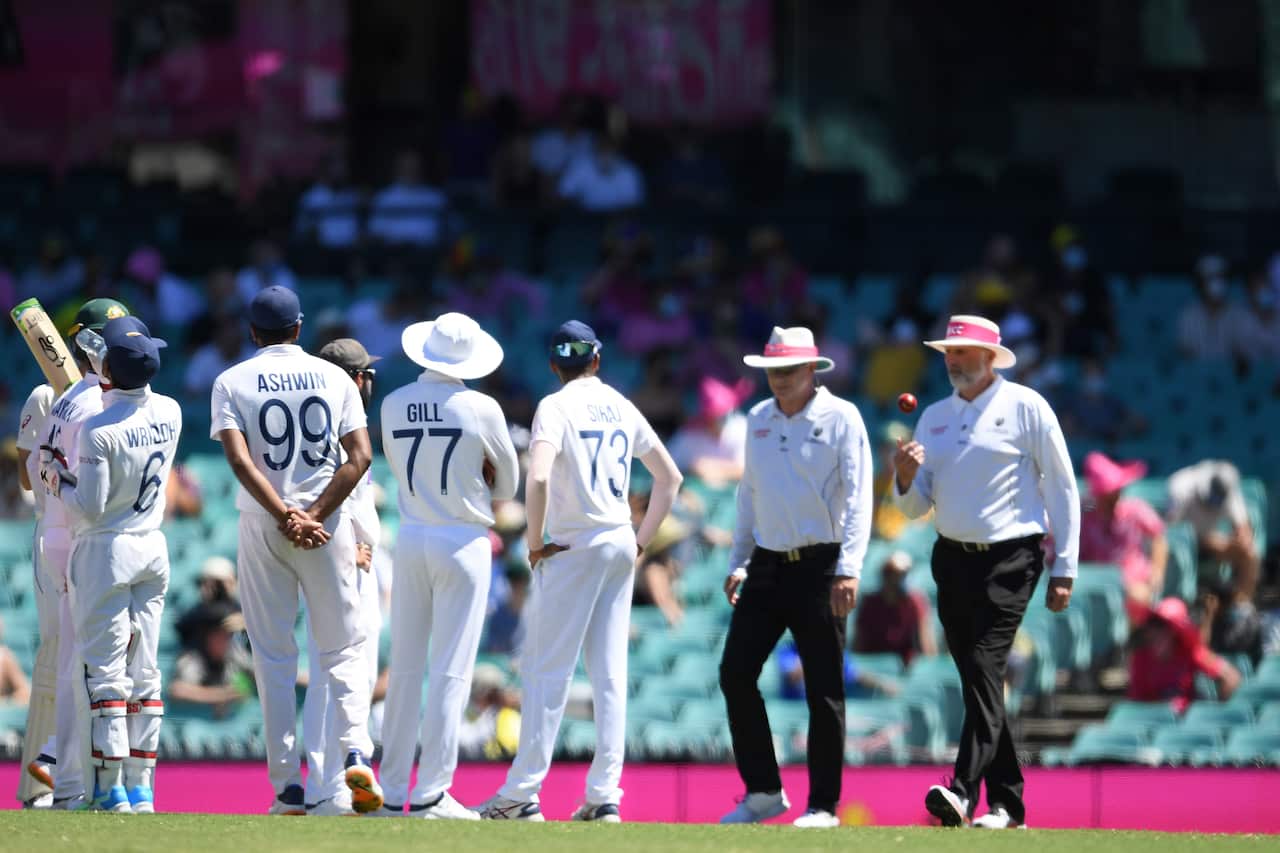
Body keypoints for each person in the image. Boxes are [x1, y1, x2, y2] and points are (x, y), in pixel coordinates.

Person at [479, 320, 681, 823]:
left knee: (547, 672)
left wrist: (534, 541)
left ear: (554, 364)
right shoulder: (621, 404)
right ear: (597, 358)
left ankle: (522, 794)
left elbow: (540, 474)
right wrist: (640, 540)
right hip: (617, 541)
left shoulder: (555, 405)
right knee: (610, 675)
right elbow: (669, 478)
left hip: (572, 545)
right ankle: (604, 795)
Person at [893, 314, 1078, 830]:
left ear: (991, 358)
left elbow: (1063, 487)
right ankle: (1007, 805)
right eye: (949, 353)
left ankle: (961, 791)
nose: (952, 361)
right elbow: (913, 508)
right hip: (952, 559)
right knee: (982, 679)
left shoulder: (1027, 407)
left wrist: (1065, 566)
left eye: (963, 353)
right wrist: (904, 479)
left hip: (1011, 558)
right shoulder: (932, 417)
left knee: (982, 665)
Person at [209, 286, 382, 815]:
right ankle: (355, 749)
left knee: (274, 656)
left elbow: (240, 462)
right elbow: (360, 457)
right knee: (344, 647)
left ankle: (288, 787)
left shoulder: (230, 380)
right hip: (325, 524)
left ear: (253, 331)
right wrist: (315, 515)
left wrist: (285, 515)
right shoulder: (335, 377)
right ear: (301, 328)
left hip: (263, 523)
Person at [718, 326, 873, 829]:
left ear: (812, 370)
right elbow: (749, 496)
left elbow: (860, 497)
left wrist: (849, 567)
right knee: (735, 673)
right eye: (771, 372)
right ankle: (763, 791)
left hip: (822, 566)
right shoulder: (758, 419)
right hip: (766, 562)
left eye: (786, 371)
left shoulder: (842, 417)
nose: (777, 380)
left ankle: (824, 806)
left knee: (824, 688)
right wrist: (739, 561)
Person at [375, 313, 519, 820]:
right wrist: (475, 480)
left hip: (411, 534)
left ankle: (392, 791)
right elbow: (508, 484)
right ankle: (432, 793)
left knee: (406, 669)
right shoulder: (482, 407)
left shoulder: (392, 402)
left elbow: (393, 464)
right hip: (462, 538)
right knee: (450, 670)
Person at [41, 315, 181, 813]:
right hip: (152, 545)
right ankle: (143, 787)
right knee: (145, 672)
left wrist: (57, 476)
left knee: (102, 673)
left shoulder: (99, 429)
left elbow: (90, 506)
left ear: (107, 372)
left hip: (105, 548)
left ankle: (108, 787)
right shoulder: (171, 409)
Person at [36, 297, 130, 810]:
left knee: (82, 657)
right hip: (79, 533)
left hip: (62, 529)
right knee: (87, 662)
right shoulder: (96, 401)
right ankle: (69, 771)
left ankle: (63, 763)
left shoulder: (73, 394)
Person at [301, 338, 388, 815]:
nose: (370, 381)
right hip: (344, 559)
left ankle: (330, 781)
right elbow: (341, 490)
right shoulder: (335, 424)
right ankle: (325, 784)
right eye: (366, 374)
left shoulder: (330, 418)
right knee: (337, 671)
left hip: (353, 557)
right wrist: (352, 541)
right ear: (356, 380)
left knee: (342, 670)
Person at [15, 380, 56, 808]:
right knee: (58, 653)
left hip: (102, 538)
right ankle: (41, 784)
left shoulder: (132, 397)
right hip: (57, 533)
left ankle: (84, 774)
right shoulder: (47, 395)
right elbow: (26, 481)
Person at [1078, 452, 1168, 621]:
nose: (1116, 496)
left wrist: (1157, 572)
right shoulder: (1084, 516)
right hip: (1096, 582)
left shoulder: (1135, 509)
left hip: (1135, 579)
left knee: (1139, 597)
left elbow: (1158, 536)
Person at [1165, 460, 1259, 604]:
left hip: (1212, 540)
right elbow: (1171, 530)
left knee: (1250, 553)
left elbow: (1242, 525)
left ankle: (1241, 607)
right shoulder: (1181, 486)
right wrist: (1202, 540)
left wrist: (1242, 540)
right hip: (1182, 542)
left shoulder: (1228, 489)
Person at [1128, 597, 1240, 713]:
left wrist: (1219, 711)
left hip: (1187, 720)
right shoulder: (1140, 659)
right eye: (1152, 623)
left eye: (1162, 625)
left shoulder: (1191, 652)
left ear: (1174, 632)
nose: (1155, 632)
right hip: (1155, 720)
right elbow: (1137, 702)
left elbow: (1231, 676)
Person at [853, 551, 937, 666]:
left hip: (904, 667)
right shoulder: (870, 603)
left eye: (902, 575)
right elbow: (859, 644)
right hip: (874, 667)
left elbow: (926, 647)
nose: (896, 579)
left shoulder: (915, 603)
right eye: (890, 574)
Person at [666, 377, 752, 487]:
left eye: (724, 415)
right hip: (694, 496)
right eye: (715, 416)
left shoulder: (742, 427)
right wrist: (692, 469)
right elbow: (665, 468)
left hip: (735, 497)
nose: (720, 420)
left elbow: (751, 471)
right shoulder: (688, 434)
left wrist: (711, 468)